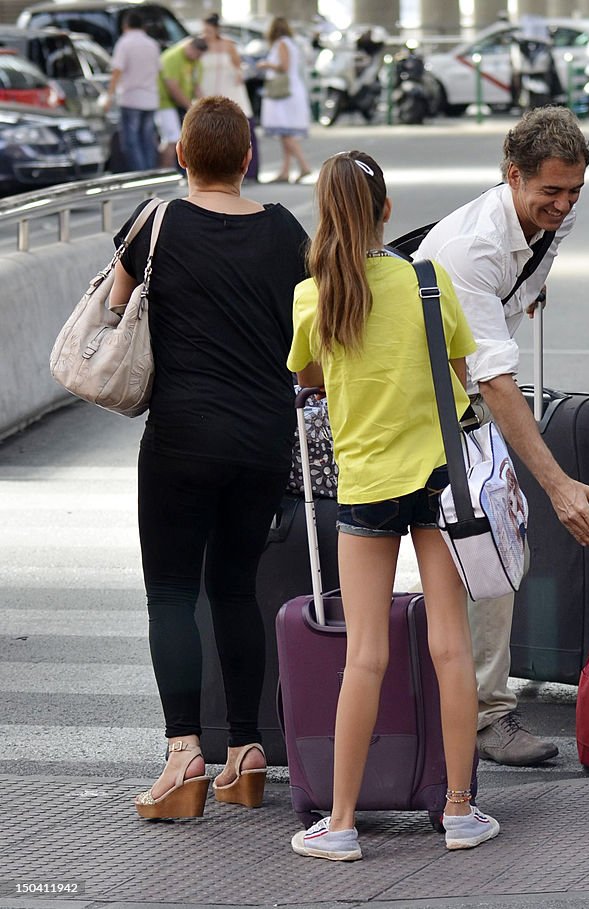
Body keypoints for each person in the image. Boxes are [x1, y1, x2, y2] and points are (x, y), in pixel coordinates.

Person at [287, 151, 499, 860]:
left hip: (366, 486)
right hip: (440, 479)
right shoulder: (427, 281)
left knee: (365, 655)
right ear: (385, 211)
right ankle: (461, 811)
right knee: (450, 644)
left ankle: (342, 822)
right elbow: (463, 376)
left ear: (323, 211)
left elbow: (309, 376)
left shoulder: (312, 295)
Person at [110, 97, 309, 819]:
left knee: (171, 594)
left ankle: (183, 754)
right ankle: (247, 753)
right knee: (235, 589)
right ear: (249, 158)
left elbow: (112, 307)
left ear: (181, 157)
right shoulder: (286, 230)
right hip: (262, 440)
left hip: (181, 439)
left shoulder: (154, 222)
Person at [417, 107, 589, 767]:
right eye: (549, 192)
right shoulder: (472, 248)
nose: (563, 205)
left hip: (463, 396)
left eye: (574, 192)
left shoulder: (556, 214)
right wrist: (557, 484)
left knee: (496, 544)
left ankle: (481, 707)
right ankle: (471, 714)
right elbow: (494, 380)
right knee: (478, 548)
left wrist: (521, 296)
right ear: (512, 176)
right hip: (422, 407)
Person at [200, 13, 258, 183]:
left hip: (230, 88)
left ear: (216, 29)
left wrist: (239, 75)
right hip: (207, 89)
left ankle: (250, 171)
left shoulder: (228, 45)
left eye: (209, 30)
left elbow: (239, 67)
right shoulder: (200, 46)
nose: (206, 34)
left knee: (242, 128)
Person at [258, 17, 312, 184]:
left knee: (286, 132)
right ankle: (285, 170)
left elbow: (284, 66)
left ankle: (304, 166)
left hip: (284, 93)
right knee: (284, 132)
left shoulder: (281, 43)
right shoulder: (291, 43)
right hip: (291, 90)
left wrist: (266, 64)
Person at [106, 10, 160, 172]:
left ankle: (140, 174)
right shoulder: (152, 44)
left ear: (125, 25)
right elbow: (158, 70)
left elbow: (117, 71)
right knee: (148, 139)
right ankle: (151, 172)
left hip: (131, 98)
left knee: (131, 141)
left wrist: (109, 95)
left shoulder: (124, 43)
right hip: (150, 98)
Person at [155, 36, 207, 168]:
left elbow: (196, 86)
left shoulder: (196, 61)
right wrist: (190, 106)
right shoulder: (172, 57)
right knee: (172, 138)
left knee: (185, 140)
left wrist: (205, 106)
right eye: (196, 54)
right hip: (165, 103)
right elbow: (172, 86)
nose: (197, 58)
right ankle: (165, 172)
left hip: (182, 104)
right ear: (190, 47)